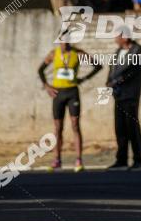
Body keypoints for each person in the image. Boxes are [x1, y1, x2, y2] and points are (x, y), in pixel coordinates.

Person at [38, 40, 100, 172]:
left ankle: (78, 160)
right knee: (58, 128)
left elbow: (97, 66)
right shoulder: (54, 54)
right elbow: (40, 70)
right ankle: (57, 160)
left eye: (67, 41)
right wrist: (47, 86)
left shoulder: (77, 53)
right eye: (62, 41)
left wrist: (84, 79)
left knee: (75, 125)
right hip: (58, 94)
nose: (65, 44)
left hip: (72, 92)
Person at [106, 27, 141, 171]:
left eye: (118, 36)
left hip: (131, 95)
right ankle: (121, 160)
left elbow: (132, 71)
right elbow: (112, 70)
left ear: (125, 37)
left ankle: (138, 160)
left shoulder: (137, 50)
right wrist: (109, 82)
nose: (115, 39)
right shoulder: (118, 52)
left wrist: (117, 81)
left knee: (132, 127)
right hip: (118, 95)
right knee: (120, 128)